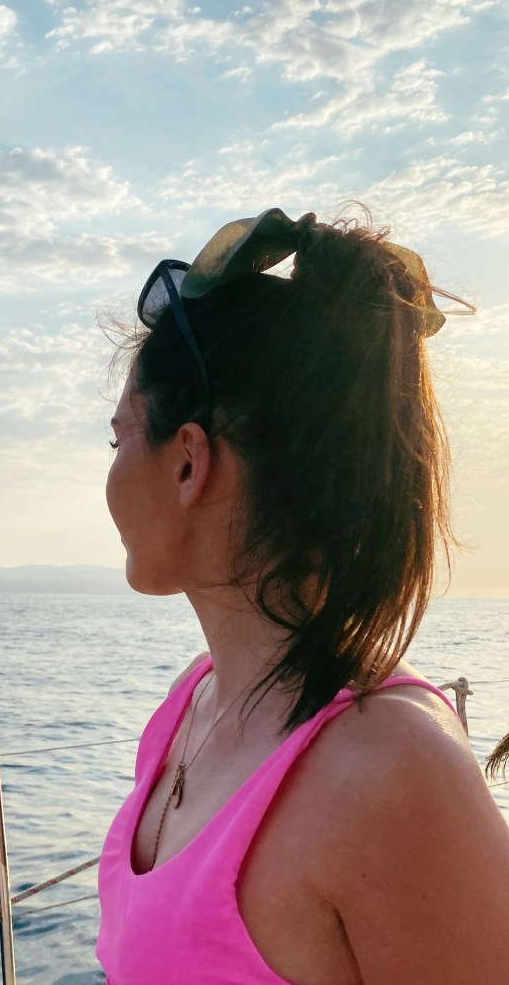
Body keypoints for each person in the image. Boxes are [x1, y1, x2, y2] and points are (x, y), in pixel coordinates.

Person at [95, 209, 509, 985]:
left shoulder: (393, 773)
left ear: (188, 462)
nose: (110, 475)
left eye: (118, 439)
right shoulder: (188, 706)